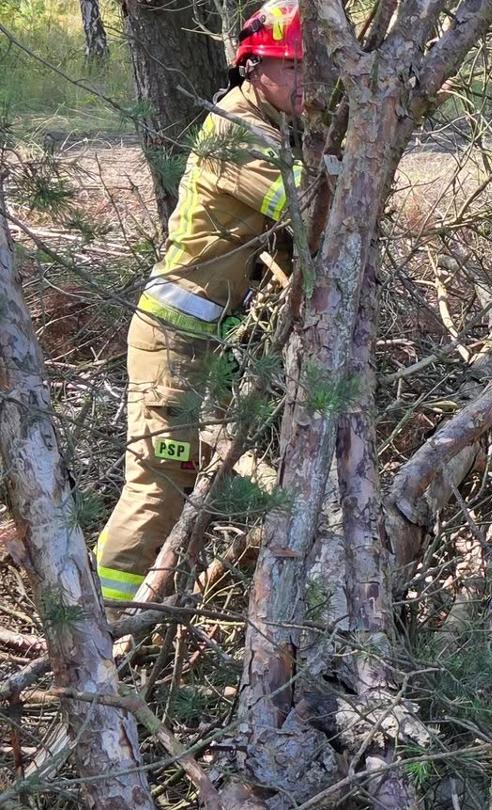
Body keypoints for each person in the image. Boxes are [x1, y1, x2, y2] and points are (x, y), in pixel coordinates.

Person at [94, 0, 306, 602]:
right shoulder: (238, 134)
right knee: (160, 482)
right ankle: (102, 623)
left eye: (311, 70)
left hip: (210, 342)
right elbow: (311, 210)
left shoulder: (273, 126)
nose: (304, 83)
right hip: (173, 339)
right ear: (252, 64)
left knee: (200, 473)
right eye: (290, 68)